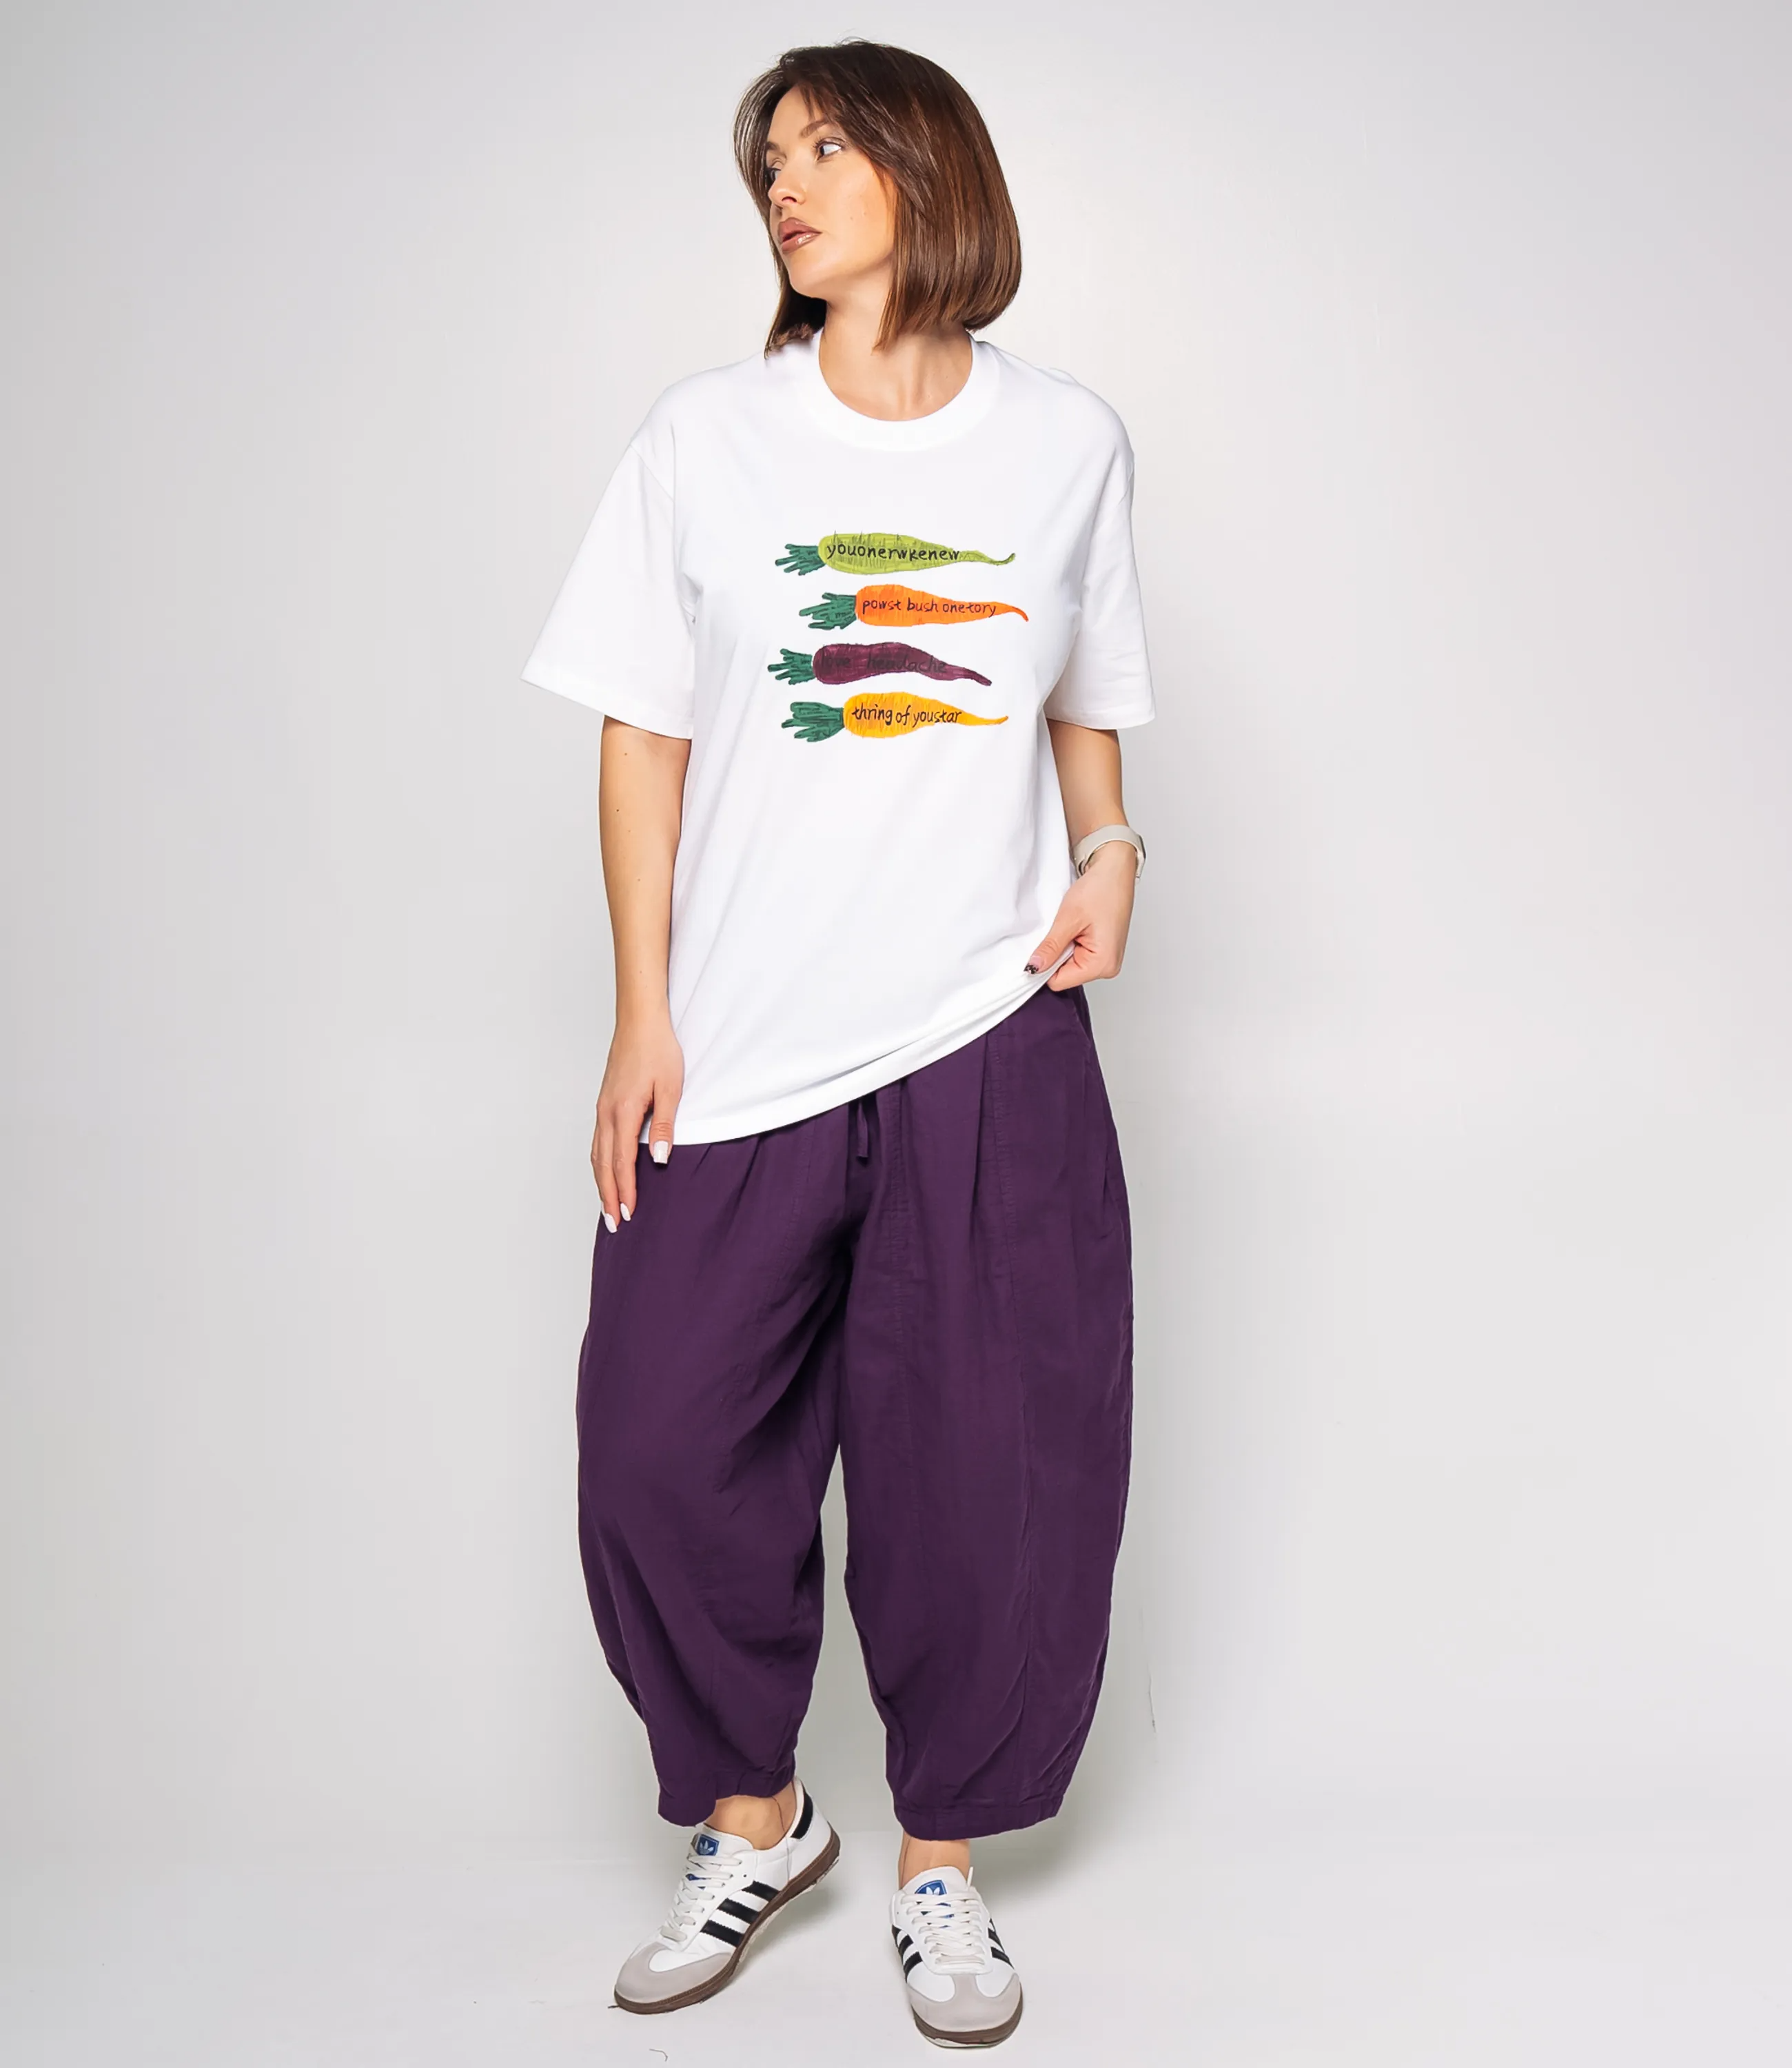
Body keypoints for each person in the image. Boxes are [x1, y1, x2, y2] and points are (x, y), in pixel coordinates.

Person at [521, 38, 1152, 2050]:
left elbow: (1084, 699)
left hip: (987, 1026)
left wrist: (1113, 846)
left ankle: (939, 1865)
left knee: (990, 1475)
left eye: (822, 150)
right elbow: (642, 734)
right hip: (744, 1043)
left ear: (925, 170)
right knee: (659, 1449)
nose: (784, 187)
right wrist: (645, 1012)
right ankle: (760, 1822)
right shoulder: (706, 439)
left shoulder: (1066, 444)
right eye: (770, 162)